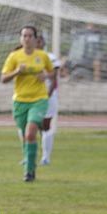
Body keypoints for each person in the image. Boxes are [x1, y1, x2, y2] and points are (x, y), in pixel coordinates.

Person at [1, 25, 54, 182]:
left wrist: (45, 76)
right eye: (24, 36)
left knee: (31, 133)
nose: (27, 39)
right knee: (26, 136)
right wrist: (17, 71)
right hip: (20, 102)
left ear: (36, 39)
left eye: (30, 36)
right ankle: (29, 163)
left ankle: (29, 171)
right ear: (20, 38)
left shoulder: (42, 56)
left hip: (39, 99)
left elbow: (51, 73)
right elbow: (3, 79)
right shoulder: (14, 56)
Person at [37, 33, 61, 166]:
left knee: (46, 125)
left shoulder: (50, 57)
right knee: (32, 126)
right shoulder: (27, 57)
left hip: (47, 96)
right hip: (31, 97)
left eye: (40, 40)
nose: (38, 43)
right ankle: (29, 156)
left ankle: (46, 157)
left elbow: (54, 79)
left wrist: (48, 95)